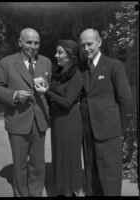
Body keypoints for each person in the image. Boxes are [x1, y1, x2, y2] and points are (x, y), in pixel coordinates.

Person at [0, 28, 52, 197]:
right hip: (17, 120)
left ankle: (36, 193)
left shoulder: (46, 62)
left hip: (39, 120)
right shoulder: (7, 62)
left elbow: (50, 89)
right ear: (20, 42)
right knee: (20, 164)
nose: (33, 46)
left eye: (36, 42)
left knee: (38, 164)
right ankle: (22, 194)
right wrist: (14, 95)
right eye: (29, 42)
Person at [79, 28, 132, 196]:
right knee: (91, 178)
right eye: (83, 45)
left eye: (89, 44)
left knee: (109, 180)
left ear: (99, 42)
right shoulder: (82, 69)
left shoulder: (113, 65)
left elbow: (125, 100)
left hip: (109, 134)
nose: (86, 48)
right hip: (88, 133)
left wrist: (119, 130)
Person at [35, 40, 83, 196]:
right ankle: (63, 189)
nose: (56, 55)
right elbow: (55, 95)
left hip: (69, 121)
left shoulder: (77, 75)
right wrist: (45, 86)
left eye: (60, 52)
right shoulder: (59, 72)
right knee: (59, 155)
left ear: (70, 56)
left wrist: (46, 91)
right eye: (57, 52)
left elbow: (67, 102)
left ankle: (70, 192)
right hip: (58, 121)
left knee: (68, 157)